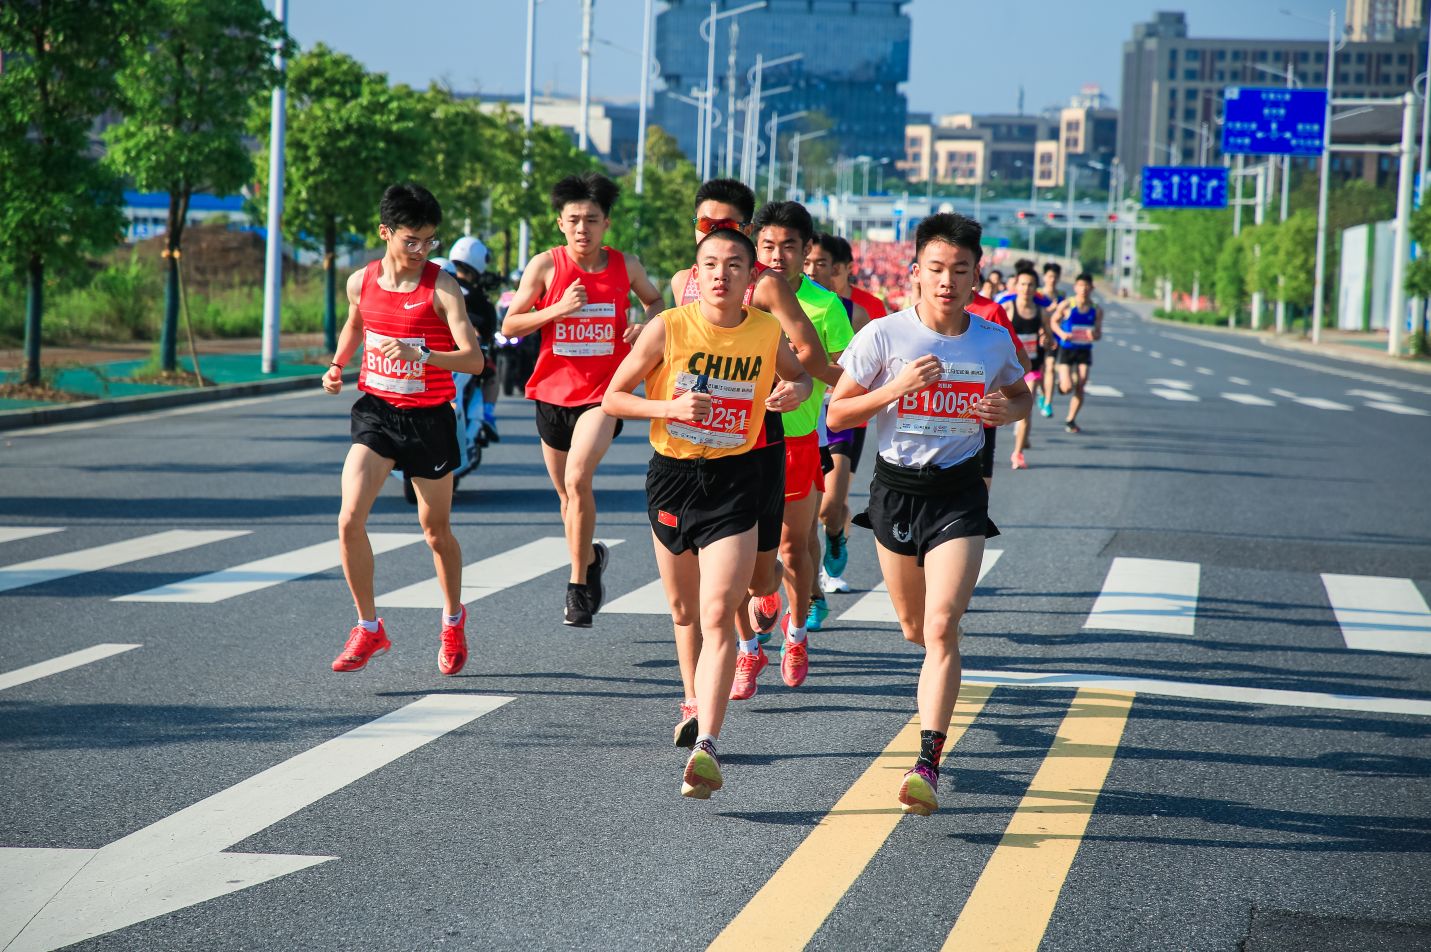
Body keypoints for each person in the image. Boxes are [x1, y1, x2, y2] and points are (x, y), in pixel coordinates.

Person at [827, 212, 1032, 816]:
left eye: (960, 271)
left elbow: (1021, 393)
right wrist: (896, 389)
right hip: (894, 491)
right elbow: (837, 416)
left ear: (976, 277)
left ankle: (927, 762)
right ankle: (936, 664)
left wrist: (1006, 410)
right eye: (936, 269)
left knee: (942, 627)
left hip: (960, 491)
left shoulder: (993, 340)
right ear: (915, 273)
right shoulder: (884, 337)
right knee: (915, 628)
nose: (947, 281)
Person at [602, 228, 812, 799]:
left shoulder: (766, 331)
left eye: (734, 265)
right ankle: (691, 698)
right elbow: (613, 398)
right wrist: (669, 405)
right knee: (684, 608)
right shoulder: (667, 327)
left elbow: (798, 378)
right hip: (673, 477)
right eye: (710, 265)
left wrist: (791, 394)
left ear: (751, 278)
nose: (721, 274)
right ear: (695, 276)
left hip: (735, 481)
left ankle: (707, 746)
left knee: (719, 611)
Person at [667, 181, 828, 735]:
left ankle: (772, 606)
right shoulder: (682, 285)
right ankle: (710, 685)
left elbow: (806, 355)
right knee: (706, 592)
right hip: (690, 455)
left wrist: (795, 387)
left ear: (744, 232)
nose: (713, 235)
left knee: (759, 575)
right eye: (703, 226)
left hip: (758, 446)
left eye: (726, 226)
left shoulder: (766, 292)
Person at [321, 184, 486, 676]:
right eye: (411, 240)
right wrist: (336, 365)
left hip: (430, 418)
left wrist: (424, 355)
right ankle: (369, 628)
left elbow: (475, 361)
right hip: (376, 412)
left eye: (430, 241)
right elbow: (356, 323)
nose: (421, 251)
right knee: (349, 518)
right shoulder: (361, 281)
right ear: (385, 233)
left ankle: (453, 619)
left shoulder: (442, 287)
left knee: (435, 532)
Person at [502, 172, 666, 627]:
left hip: (603, 395)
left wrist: (643, 327)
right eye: (573, 219)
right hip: (552, 394)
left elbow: (656, 303)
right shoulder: (546, 266)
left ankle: (577, 588)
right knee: (567, 496)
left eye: (591, 220)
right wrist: (557, 308)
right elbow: (511, 325)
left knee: (578, 480)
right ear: (559, 223)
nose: (582, 229)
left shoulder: (625, 265)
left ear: (606, 223)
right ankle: (590, 557)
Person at [739, 200, 851, 693]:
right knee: (735, 551)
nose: (778, 254)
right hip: (736, 438)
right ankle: (746, 651)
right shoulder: (735, 297)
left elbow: (847, 373)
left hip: (798, 438)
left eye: (789, 246)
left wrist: (806, 380)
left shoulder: (825, 306)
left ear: (807, 251)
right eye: (768, 245)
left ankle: (797, 635)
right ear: (753, 245)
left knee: (791, 544)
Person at [804, 233, 870, 601]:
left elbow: (868, 372)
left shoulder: (852, 311)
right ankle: (812, 594)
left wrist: (837, 383)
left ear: (838, 270)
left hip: (841, 418)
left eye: (821, 264)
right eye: (809, 262)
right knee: (800, 519)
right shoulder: (778, 304)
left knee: (831, 505)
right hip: (800, 416)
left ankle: (834, 533)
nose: (813, 269)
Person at [447, 236, 502, 444]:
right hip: (464, 357)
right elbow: (488, 329)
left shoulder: (439, 284)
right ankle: (488, 413)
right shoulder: (479, 298)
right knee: (492, 374)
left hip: (433, 354)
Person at [1002, 268, 1050, 469]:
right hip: (1008, 368)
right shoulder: (1007, 308)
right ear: (1016, 286)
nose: (1026, 288)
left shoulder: (1041, 312)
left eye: (1031, 285)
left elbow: (1049, 338)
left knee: (1026, 410)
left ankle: (1018, 453)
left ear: (1035, 288)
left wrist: (1046, 339)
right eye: (1023, 284)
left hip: (1032, 366)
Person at [1049, 273, 1102, 433]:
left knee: (1082, 383)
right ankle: (1062, 383)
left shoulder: (1096, 309)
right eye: (1080, 285)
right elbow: (1053, 322)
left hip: (1084, 350)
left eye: (1086, 286)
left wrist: (1094, 335)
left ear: (1091, 288)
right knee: (1067, 387)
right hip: (1068, 349)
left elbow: (1099, 333)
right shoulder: (1067, 305)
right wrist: (1062, 334)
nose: (1083, 289)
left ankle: (1070, 419)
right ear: (1075, 287)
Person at [1038, 262, 1066, 418]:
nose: (1052, 280)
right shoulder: (1038, 294)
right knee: (1039, 371)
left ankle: (1048, 402)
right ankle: (1042, 393)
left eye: (1055, 277)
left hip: (1054, 337)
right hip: (1039, 336)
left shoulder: (1061, 295)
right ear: (1044, 277)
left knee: (1050, 367)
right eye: (1049, 276)